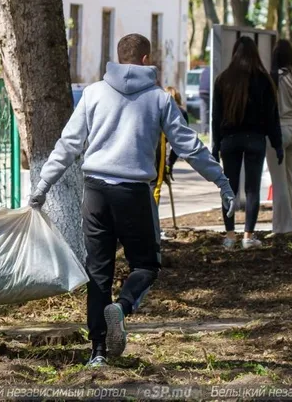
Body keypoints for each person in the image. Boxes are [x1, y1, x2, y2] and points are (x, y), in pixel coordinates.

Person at [29, 34, 234, 368]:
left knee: (98, 273)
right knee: (147, 265)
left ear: (117, 58)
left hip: (94, 192)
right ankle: (121, 309)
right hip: (134, 194)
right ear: (145, 60)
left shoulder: (93, 94)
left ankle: (97, 353)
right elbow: (190, 148)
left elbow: (67, 145)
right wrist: (222, 182)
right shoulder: (159, 99)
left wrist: (42, 186)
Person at [212, 37, 282, 250]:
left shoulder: (223, 79)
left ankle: (230, 236)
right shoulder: (264, 80)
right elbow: (272, 116)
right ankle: (248, 237)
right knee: (252, 189)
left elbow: (216, 116)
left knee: (229, 188)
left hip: (229, 140)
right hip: (255, 139)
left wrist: (215, 145)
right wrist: (277, 143)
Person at [266, 39, 292, 237]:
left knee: (279, 182)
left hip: (278, 131)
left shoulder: (274, 77)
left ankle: (283, 227)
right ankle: (286, 223)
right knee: (289, 181)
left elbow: (269, 110)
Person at [199, 65, 211, 135]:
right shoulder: (213, 70)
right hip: (209, 91)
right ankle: (209, 130)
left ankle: (203, 131)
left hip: (202, 91)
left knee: (203, 112)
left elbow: (200, 79)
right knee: (210, 111)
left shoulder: (204, 70)